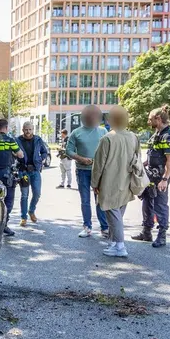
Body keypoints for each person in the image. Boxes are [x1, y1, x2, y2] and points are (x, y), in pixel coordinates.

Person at [90, 106, 141, 258]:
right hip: (127, 181)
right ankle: (114, 243)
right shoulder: (133, 137)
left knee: (113, 215)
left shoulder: (107, 138)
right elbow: (138, 158)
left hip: (109, 182)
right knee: (117, 214)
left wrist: (95, 183)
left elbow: (98, 165)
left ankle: (119, 245)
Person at [132, 105, 170, 248]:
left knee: (160, 205)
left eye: (150, 119)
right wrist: (141, 164)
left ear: (158, 118)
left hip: (160, 177)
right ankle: (146, 232)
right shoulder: (156, 134)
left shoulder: (168, 136)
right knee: (147, 203)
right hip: (150, 175)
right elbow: (152, 155)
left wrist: (165, 179)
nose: (148, 122)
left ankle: (162, 236)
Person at [66, 105, 109, 238]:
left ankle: (104, 227)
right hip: (82, 170)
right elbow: (69, 151)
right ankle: (87, 227)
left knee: (100, 200)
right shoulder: (76, 133)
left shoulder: (103, 132)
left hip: (100, 171)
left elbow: (109, 149)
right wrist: (81, 159)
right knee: (85, 200)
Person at [0, 119, 24, 236]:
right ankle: (4, 225)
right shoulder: (9, 140)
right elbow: (20, 154)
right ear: (6, 128)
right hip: (7, 175)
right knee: (8, 201)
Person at [17, 123, 49, 227]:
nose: (28, 131)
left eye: (30, 129)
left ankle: (31, 210)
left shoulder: (38, 139)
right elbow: (13, 152)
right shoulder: (18, 140)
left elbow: (45, 152)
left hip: (35, 170)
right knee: (24, 195)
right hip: (24, 171)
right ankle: (23, 217)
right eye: (26, 129)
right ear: (22, 129)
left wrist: (40, 159)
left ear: (33, 129)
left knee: (37, 193)